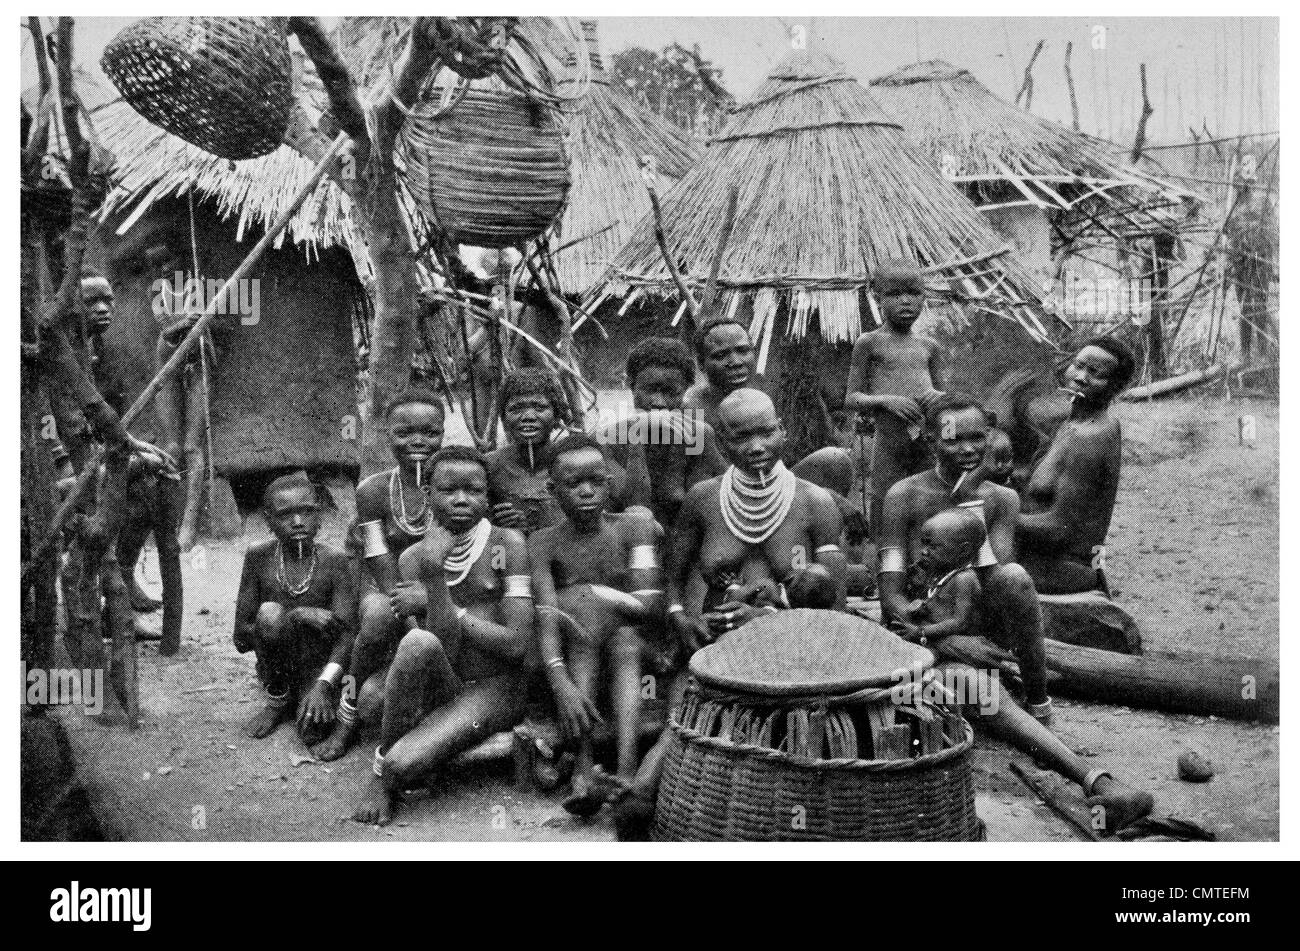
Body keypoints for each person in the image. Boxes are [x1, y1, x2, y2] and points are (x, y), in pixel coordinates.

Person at [878, 395, 1154, 833]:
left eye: (977, 438)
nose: (969, 449)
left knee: (1015, 576)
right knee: (977, 691)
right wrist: (937, 638)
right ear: (930, 440)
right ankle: (1094, 780)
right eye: (954, 439)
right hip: (920, 634)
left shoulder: (1002, 498)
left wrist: (969, 505)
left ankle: (1038, 699)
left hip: (980, 624)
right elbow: (891, 594)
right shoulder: (903, 496)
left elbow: (995, 578)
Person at [610, 388, 847, 838]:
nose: (756, 446)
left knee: (724, 717)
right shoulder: (703, 499)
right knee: (687, 710)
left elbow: (833, 607)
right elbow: (673, 578)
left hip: (794, 650)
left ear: (783, 431)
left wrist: (769, 620)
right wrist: (681, 614)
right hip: (712, 644)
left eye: (766, 432)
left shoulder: (816, 502)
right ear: (720, 441)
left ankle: (650, 796)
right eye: (742, 437)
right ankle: (640, 797)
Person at [353, 446, 533, 826]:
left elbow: (517, 646)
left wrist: (439, 597)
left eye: (475, 490)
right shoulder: (414, 558)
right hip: (446, 679)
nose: (462, 499)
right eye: (448, 490)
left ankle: (394, 763)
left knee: (406, 766)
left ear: (487, 495)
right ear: (429, 496)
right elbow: (439, 649)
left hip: (495, 686)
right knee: (416, 642)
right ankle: (380, 771)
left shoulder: (506, 546)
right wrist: (434, 574)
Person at [529, 434, 665, 816]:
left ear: (610, 482)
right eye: (573, 484)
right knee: (580, 622)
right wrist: (559, 681)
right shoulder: (542, 542)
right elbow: (547, 614)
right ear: (553, 490)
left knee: (619, 636)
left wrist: (592, 591)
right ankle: (585, 767)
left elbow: (649, 605)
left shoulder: (633, 529)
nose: (587, 492)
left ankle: (625, 770)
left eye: (596, 481)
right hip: (575, 653)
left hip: (633, 650)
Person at [313, 389, 445, 761]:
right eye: (405, 433)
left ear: (443, 434)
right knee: (376, 618)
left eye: (430, 433)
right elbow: (376, 553)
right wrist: (406, 607)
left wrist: (429, 596)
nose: (418, 441)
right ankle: (347, 718)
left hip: (442, 583)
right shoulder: (372, 491)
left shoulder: (453, 479)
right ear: (387, 435)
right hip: (386, 584)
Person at [232, 472, 355, 743]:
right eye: (285, 514)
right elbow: (241, 638)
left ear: (320, 514)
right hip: (277, 667)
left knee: (312, 734)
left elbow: (347, 635)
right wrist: (295, 617)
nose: (298, 522)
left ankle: (306, 694)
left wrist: (325, 684)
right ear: (268, 520)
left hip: (318, 667)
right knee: (269, 614)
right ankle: (278, 699)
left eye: (307, 512)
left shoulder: (335, 561)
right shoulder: (258, 557)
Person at [1016, 338, 1133, 595]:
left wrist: (993, 514)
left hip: (1064, 568)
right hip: (1049, 562)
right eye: (1078, 366)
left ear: (1116, 387)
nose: (1080, 377)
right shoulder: (1072, 421)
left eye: (1095, 373)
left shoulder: (1090, 435)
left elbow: (1059, 529)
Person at [844, 259, 946, 534]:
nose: (906, 302)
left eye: (914, 293)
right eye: (894, 294)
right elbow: (851, 398)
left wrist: (936, 398)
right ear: (877, 297)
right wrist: (886, 400)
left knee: (929, 501)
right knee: (886, 505)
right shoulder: (870, 343)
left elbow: (945, 401)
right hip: (890, 443)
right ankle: (885, 568)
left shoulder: (929, 346)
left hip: (925, 442)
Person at [598, 337, 726, 530]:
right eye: (650, 390)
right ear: (631, 385)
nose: (658, 402)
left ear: (685, 391)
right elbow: (628, 501)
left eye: (670, 392)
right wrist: (638, 433)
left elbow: (726, 491)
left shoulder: (698, 435)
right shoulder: (608, 439)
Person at [487, 368, 578, 536]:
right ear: (504, 419)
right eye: (516, 409)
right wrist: (498, 527)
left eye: (539, 407)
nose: (528, 416)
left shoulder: (575, 463)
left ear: (557, 416)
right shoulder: (488, 467)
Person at [888, 508, 984, 647]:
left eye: (933, 546)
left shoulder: (964, 579)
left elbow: (960, 622)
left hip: (956, 644)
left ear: (964, 550)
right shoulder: (941, 574)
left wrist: (920, 631)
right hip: (936, 640)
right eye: (924, 543)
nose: (924, 551)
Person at [682, 316, 760, 431]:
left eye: (743, 351)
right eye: (720, 355)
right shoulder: (689, 409)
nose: (736, 362)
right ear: (701, 363)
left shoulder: (758, 402)